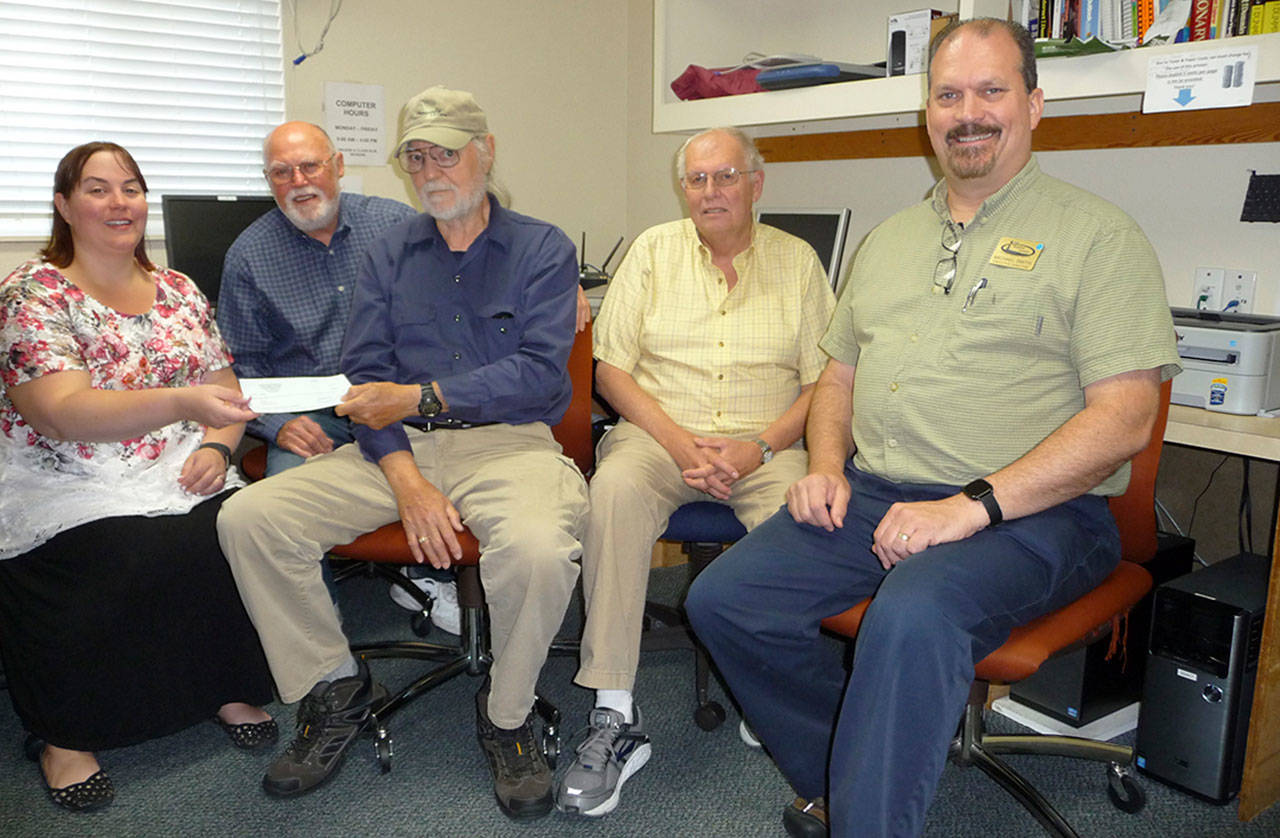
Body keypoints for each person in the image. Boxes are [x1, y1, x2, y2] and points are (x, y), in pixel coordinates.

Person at [684, 18, 1182, 838]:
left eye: (991, 90)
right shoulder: (889, 242)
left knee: (914, 612)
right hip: (878, 496)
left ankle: (870, 813)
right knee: (726, 599)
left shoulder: (1097, 236)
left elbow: (1127, 419)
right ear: (928, 114)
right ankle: (848, 780)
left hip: (1036, 517)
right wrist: (825, 465)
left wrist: (970, 507)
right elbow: (838, 376)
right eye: (949, 95)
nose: (968, 112)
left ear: (1034, 104)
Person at [216, 86, 588, 820]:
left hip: (509, 445)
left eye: (445, 152)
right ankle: (336, 685)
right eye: (415, 157)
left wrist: (418, 397)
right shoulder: (389, 252)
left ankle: (508, 714)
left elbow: (540, 376)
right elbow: (365, 377)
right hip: (397, 449)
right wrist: (408, 480)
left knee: (541, 550)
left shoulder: (542, 247)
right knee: (251, 519)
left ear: (485, 151)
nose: (429, 170)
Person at [556, 126, 835, 817]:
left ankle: (770, 688)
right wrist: (680, 444)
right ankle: (615, 711)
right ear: (683, 188)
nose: (711, 191)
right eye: (697, 179)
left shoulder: (798, 263)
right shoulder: (652, 251)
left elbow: (826, 382)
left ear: (756, 183)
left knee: (806, 518)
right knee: (612, 492)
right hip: (658, 438)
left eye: (726, 176)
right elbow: (611, 371)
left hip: (765, 445)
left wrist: (760, 447)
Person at [0, 142, 276, 813]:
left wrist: (218, 449)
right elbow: (61, 413)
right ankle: (67, 734)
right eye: (97, 189)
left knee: (244, 530)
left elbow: (225, 392)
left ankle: (225, 686)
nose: (119, 202)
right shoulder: (32, 294)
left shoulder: (179, 290)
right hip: (68, 475)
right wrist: (182, 403)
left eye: (130, 187)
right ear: (65, 206)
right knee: (131, 554)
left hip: (177, 465)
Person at [213, 122, 466, 631]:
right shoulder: (249, 255)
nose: (299, 181)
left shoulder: (397, 223)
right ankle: (318, 635)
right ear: (268, 181)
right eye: (282, 172)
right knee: (275, 511)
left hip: (398, 401)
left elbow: (473, 271)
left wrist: (560, 284)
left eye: (311, 166)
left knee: (459, 467)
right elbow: (243, 365)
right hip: (313, 417)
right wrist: (278, 425)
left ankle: (427, 577)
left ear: (339, 166)